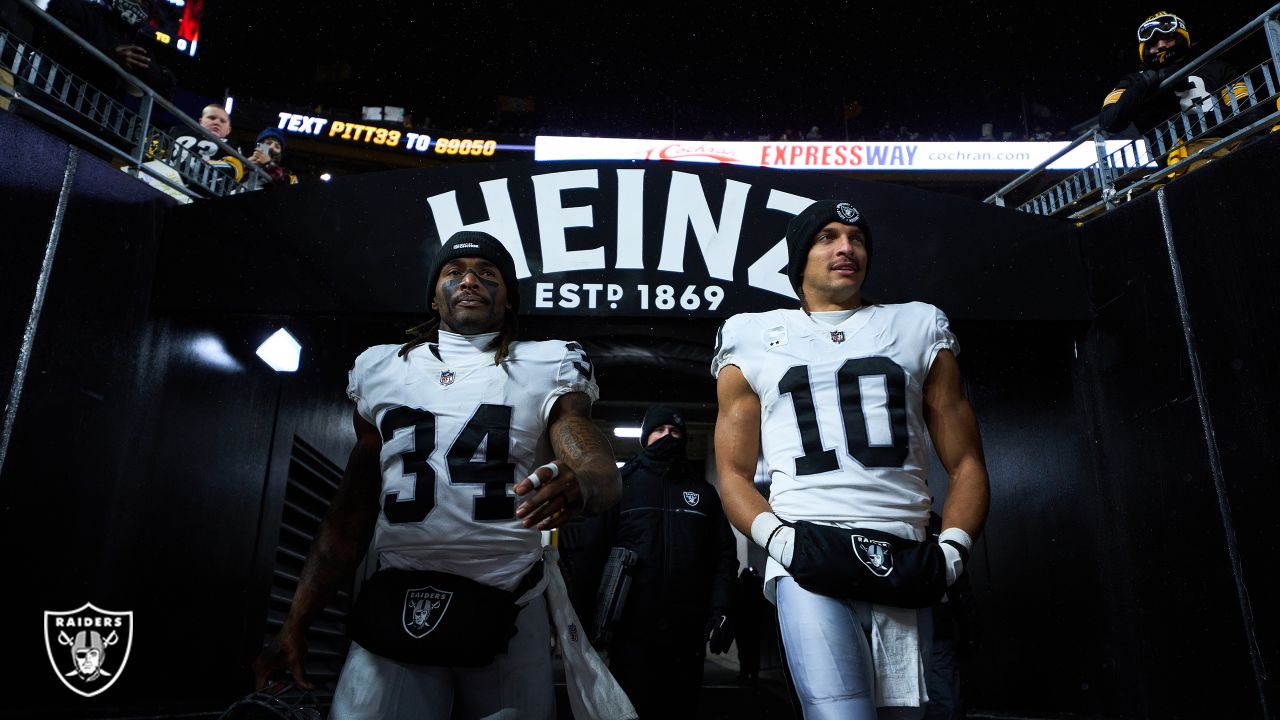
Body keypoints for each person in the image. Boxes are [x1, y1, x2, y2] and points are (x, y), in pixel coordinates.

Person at [253, 230, 623, 719]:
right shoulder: (380, 368)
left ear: (508, 297)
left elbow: (591, 458)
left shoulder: (547, 363)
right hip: (398, 600)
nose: (470, 279)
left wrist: (585, 482)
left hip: (509, 596)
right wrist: (295, 621)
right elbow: (351, 513)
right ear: (434, 294)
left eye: (487, 273)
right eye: (454, 271)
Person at [712, 200, 990, 720]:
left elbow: (967, 461)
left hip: (906, 549)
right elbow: (732, 473)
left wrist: (953, 548)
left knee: (912, 716)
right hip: (809, 544)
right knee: (841, 715)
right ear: (799, 259)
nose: (846, 248)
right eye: (828, 237)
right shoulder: (752, 335)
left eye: (857, 238)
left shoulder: (917, 325)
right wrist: (778, 537)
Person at [564, 406, 738, 718]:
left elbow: (723, 558)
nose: (667, 437)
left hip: (687, 632)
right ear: (646, 438)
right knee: (631, 709)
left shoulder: (703, 492)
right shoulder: (620, 486)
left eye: (675, 432)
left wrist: (722, 610)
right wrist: (580, 620)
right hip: (631, 630)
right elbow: (590, 552)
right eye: (659, 431)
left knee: (681, 709)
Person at [1099, 12, 1247, 168]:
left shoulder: (1214, 66)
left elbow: (1244, 105)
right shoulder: (1132, 81)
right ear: (1145, 49)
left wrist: (1262, 133)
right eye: (1153, 43)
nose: (1161, 45)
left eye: (1167, 38)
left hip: (1235, 138)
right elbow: (1109, 121)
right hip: (1185, 154)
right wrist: (1146, 82)